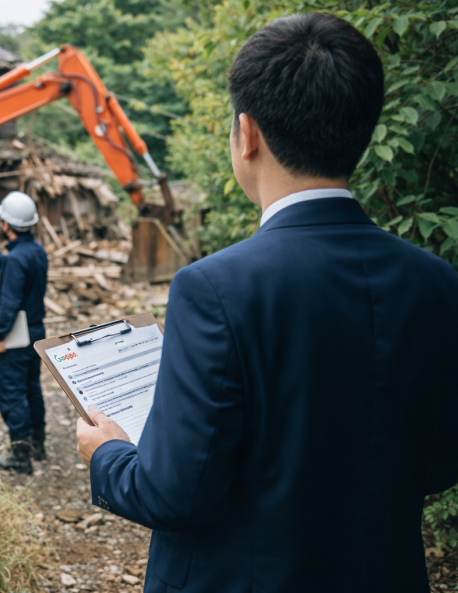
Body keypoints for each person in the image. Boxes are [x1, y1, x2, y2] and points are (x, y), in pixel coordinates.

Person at [75, 13, 458, 593]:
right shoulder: (435, 280)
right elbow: (439, 463)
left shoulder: (214, 288)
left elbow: (174, 494)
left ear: (246, 133)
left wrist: (106, 453)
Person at [0, 191, 48, 475]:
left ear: (6, 224)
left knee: (12, 393)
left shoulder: (16, 259)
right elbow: (10, 264)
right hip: (36, 332)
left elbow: (9, 304)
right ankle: (38, 444)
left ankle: (20, 456)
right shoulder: (36, 250)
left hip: (16, 336)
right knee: (32, 387)